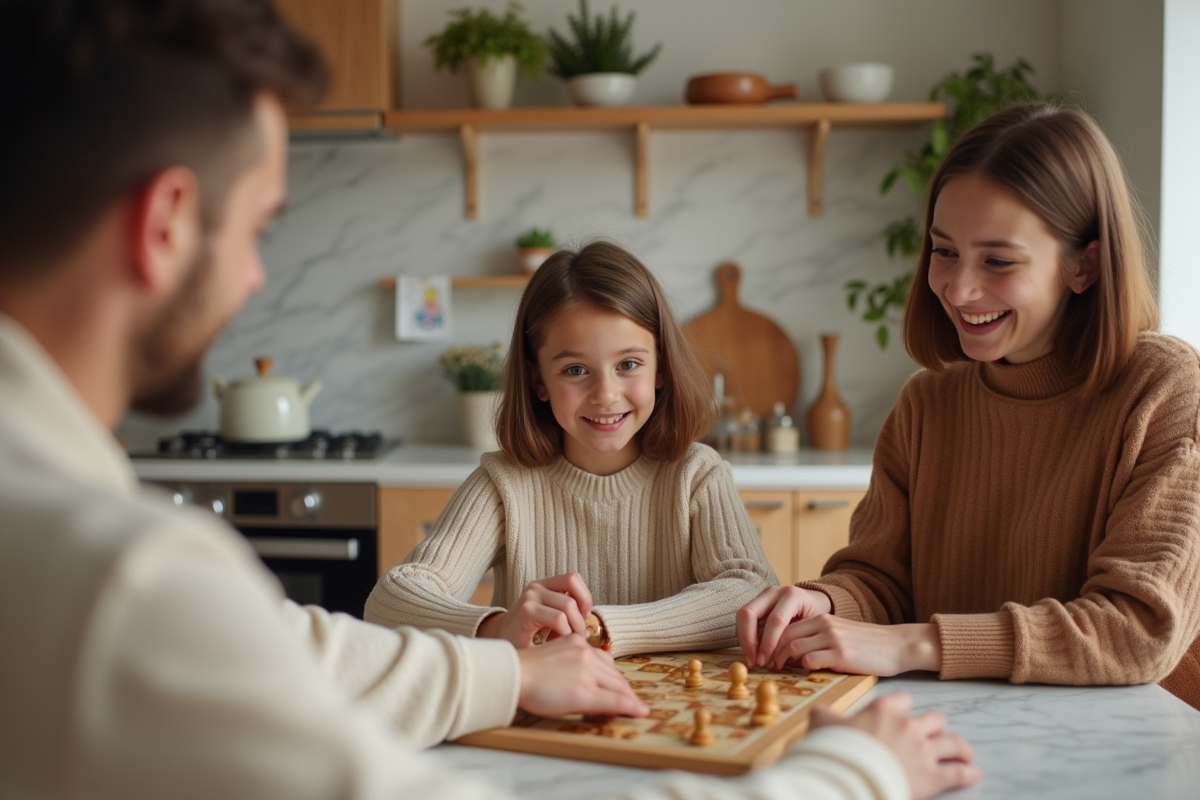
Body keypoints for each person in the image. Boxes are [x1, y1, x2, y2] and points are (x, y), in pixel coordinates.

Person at [0, 2, 977, 798]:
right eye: (260, 226)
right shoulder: (124, 577)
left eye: (629, 364)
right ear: (167, 222)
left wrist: (517, 660)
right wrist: (859, 767)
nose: (260, 277)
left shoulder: (80, 541)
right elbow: (370, 607)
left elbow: (292, 644)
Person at [737, 102, 1200, 710]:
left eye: (998, 261)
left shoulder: (1166, 390)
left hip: (1122, 748)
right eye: (944, 251)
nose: (958, 289)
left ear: (1083, 265)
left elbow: (1137, 630)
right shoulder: (926, 405)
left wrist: (913, 645)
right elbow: (881, 581)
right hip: (958, 728)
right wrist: (824, 602)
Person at [366, 242, 780, 657]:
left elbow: (751, 589)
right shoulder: (504, 484)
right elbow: (388, 603)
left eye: (629, 364)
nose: (605, 394)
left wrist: (603, 628)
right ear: (537, 381)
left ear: (660, 367)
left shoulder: (696, 474)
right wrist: (497, 625)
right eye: (575, 370)